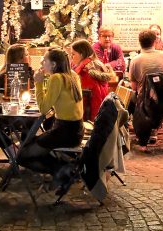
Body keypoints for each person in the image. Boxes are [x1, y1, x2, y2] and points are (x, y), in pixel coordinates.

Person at [18, 48, 84, 177]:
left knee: (21, 156)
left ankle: (62, 171)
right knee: (29, 144)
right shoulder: (72, 75)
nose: (42, 63)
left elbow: (43, 109)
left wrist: (38, 83)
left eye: (44, 60)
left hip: (64, 132)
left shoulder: (56, 78)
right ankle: (63, 166)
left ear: (53, 64)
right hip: (76, 131)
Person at [70, 38, 116, 120]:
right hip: (102, 114)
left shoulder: (85, 72)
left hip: (90, 118)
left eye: (73, 54)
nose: (71, 57)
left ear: (82, 54)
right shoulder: (95, 64)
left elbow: (84, 100)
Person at [129, 29, 163, 94]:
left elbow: (134, 87)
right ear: (154, 42)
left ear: (139, 43)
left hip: (145, 100)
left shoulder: (134, 61)